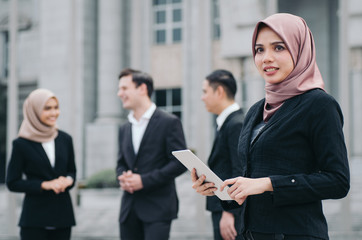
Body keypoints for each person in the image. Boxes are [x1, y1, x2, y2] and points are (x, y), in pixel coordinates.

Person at [191, 13, 350, 240]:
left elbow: (338, 181)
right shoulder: (256, 110)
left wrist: (267, 184)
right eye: (259, 50)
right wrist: (219, 191)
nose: (266, 58)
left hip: (296, 233)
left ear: (299, 48)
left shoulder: (319, 104)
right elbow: (250, 184)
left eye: (278, 48)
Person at [116, 68, 187, 240]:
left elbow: (179, 163)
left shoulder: (169, 122)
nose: (119, 94)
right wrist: (123, 177)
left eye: (124, 88)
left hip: (158, 209)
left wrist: (143, 181)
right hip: (129, 210)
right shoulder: (124, 127)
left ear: (142, 89)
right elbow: (121, 163)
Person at [6, 89, 76, 240]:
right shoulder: (21, 144)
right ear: (34, 111)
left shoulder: (65, 139)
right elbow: (12, 182)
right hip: (34, 220)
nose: (54, 113)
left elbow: (72, 171)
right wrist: (45, 185)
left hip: (63, 218)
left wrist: (68, 180)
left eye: (56, 107)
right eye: (47, 108)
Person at [199, 69, 244, 240]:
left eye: (205, 92)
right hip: (224, 208)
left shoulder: (235, 124)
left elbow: (239, 170)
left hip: (230, 213)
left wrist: (230, 212)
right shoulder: (226, 123)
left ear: (219, 92)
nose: (202, 97)